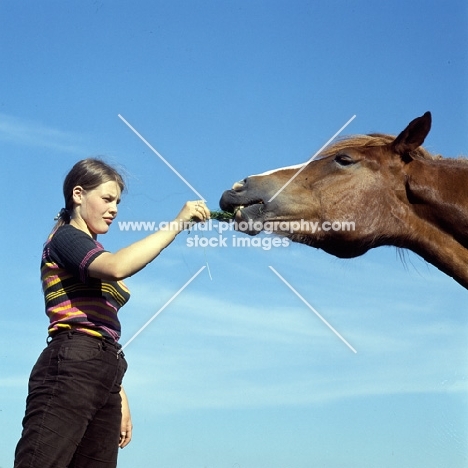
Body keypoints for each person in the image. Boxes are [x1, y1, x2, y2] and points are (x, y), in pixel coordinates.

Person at [14, 158, 210, 468]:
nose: (114, 208)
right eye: (106, 198)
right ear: (78, 195)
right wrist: (178, 223)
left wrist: (118, 392)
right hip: (71, 364)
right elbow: (117, 267)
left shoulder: (90, 247)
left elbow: (102, 329)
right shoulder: (66, 239)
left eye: (117, 201)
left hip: (105, 369)